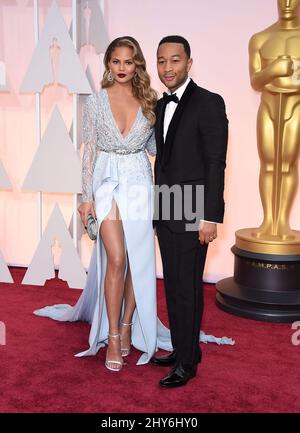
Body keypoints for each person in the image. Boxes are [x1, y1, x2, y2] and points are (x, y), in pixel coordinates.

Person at [34, 36, 170, 371]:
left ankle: (126, 327)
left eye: (129, 62)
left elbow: (157, 150)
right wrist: (86, 198)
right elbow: (90, 151)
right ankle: (110, 336)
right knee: (117, 257)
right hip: (107, 181)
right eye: (116, 61)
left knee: (138, 258)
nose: (122, 68)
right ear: (108, 64)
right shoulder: (95, 102)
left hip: (139, 180)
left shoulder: (150, 101)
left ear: (137, 64)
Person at [151, 36, 228, 387]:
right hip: (167, 203)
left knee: (188, 287)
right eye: (162, 61)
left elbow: (216, 163)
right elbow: (164, 162)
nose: (168, 68)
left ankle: (188, 363)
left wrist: (210, 216)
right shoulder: (159, 103)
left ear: (189, 63)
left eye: (175, 61)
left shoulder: (209, 102)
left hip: (194, 207)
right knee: (172, 284)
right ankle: (183, 349)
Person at [248, 0, 300, 240]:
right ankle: (268, 220)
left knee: (287, 163)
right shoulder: (260, 38)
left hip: (294, 105)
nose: (287, 3)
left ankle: (283, 223)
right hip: (268, 104)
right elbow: (256, 81)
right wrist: (275, 69)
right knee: (268, 163)